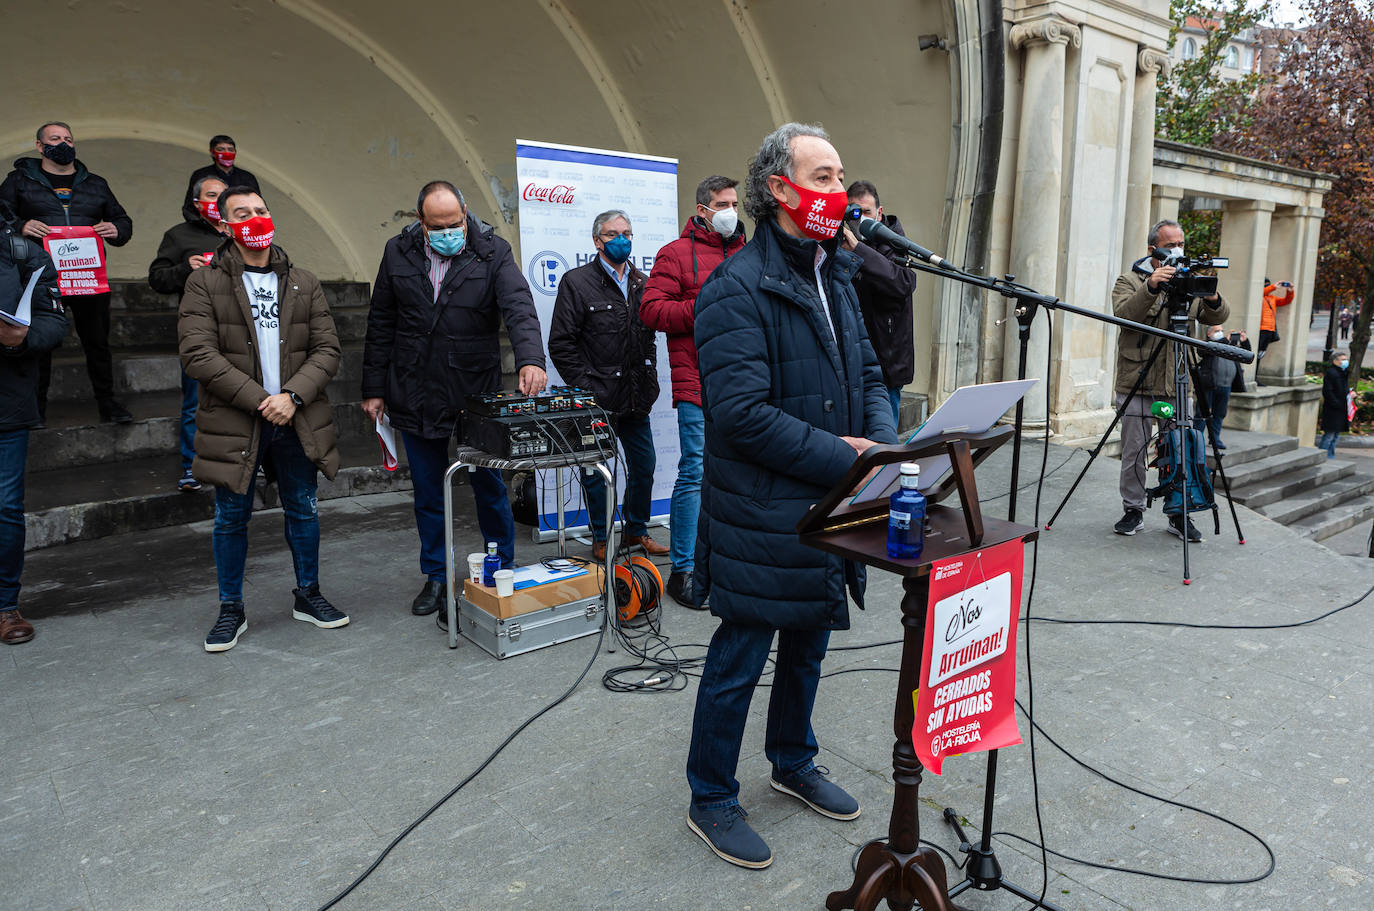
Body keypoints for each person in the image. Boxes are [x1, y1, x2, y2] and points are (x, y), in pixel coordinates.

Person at [684, 123, 897, 869]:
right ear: (780, 188)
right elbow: (739, 415)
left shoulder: (836, 272)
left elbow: (870, 373)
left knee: (810, 638)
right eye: (825, 175)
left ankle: (792, 758)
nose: (839, 191)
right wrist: (846, 457)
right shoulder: (733, 286)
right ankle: (711, 796)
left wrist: (878, 441)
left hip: (829, 495)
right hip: (761, 507)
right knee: (740, 656)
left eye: (842, 177)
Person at [361, 181, 547, 618]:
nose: (449, 232)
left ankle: (503, 570)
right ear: (421, 223)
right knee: (428, 492)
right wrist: (373, 388)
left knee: (489, 485)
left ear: (466, 213)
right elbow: (381, 319)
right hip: (413, 387)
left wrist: (531, 359)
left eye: (456, 223)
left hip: (473, 391)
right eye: (438, 226)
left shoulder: (492, 250)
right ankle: (437, 577)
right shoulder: (397, 252)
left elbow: (518, 305)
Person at [179, 187, 346, 652]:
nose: (255, 218)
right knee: (230, 517)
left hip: (297, 418)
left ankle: (308, 594)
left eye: (261, 210)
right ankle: (230, 607)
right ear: (224, 225)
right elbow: (197, 353)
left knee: (304, 509)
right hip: (237, 421)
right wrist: (261, 400)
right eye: (242, 213)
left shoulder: (303, 282)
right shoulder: (204, 283)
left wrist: (291, 396)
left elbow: (327, 349)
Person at [640, 176, 746, 607]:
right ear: (702, 209)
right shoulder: (674, 254)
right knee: (695, 474)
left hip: (745, 387)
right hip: (697, 384)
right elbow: (651, 310)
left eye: (735, 203)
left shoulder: (748, 252)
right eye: (723, 203)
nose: (731, 211)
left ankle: (727, 562)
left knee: (738, 478)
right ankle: (683, 570)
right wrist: (702, 305)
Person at [548, 210, 666, 564]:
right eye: (614, 233)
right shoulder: (576, 282)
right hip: (596, 399)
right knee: (596, 472)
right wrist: (587, 387)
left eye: (628, 232)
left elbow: (649, 341)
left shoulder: (643, 283)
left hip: (635, 397)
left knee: (644, 465)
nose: (623, 239)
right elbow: (561, 344)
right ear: (597, 241)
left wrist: (649, 382)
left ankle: (636, 530)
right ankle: (601, 537)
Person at [0, 121, 133, 425]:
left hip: (88, 276)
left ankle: (108, 404)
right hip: (38, 276)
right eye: (55, 138)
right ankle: (37, 409)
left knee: (97, 342)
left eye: (68, 139)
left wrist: (116, 229)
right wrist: (20, 226)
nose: (63, 143)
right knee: (40, 342)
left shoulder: (96, 183)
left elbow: (122, 221)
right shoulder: (19, 180)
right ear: (40, 146)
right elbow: (1, 216)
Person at [1111, 219, 1228, 543]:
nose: (1178, 249)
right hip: (1138, 380)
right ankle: (1133, 509)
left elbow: (1217, 316)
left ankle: (1179, 512)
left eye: (1181, 243)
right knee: (1134, 451)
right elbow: (1123, 315)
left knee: (1179, 449)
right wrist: (1150, 286)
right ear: (1153, 249)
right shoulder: (1130, 279)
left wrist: (1211, 294)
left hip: (1176, 384)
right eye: (1171, 244)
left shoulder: (1188, 278)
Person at [0, 202, 65, 645]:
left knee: (4, 508)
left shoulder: (23, 251)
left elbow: (54, 321)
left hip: (7, 404)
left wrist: (21, 339)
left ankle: (6, 607)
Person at [148, 176, 229, 492]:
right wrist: (186, 268)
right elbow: (157, 279)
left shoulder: (244, 231)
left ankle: (251, 460)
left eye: (224, 195)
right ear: (197, 203)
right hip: (200, 332)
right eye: (211, 195)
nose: (218, 201)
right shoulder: (179, 236)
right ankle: (191, 467)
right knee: (197, 402)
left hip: (244, 331)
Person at [841, 179, 919, 425]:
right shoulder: (841, 240)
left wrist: (859, 250)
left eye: (867, 212)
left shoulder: (894, 241)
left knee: (883, 434)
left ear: (879, 213)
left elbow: (902, 283)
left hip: (887, 363)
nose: (861, 218)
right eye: (855, 212)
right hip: (852, 359)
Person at [183, 135, 260, 212]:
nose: (227, 153)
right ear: (212, 152)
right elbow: (190, 207)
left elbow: (259, 204)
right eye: (221, 149)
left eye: (230, 150)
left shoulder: (247, 177)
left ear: (235, 152)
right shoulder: (201, 175)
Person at [1192, 324, 1237, 450]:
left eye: (1222, 331)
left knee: (1219, 413)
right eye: (1217, 331)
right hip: (1209, 385)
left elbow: (1246, 352)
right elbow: (1206, 351)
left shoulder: (1227, 345)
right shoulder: (1206, 345)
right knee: (1202, 413)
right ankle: (1197, 439)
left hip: (1226, 385)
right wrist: (1225, 340)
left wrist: (1243, 341)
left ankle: (1215, 438)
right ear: (1209, 333)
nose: (1221, 333)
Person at [1255, 277, 1293, 384]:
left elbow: (1286, 301)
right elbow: (1259, 293)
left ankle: (1256, 377)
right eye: (1266, 286)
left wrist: (1290, 291)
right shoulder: (1260, 297)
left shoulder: (1272, 298)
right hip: (1261, 329)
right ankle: (1254, 377)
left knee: (1260, 354)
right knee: (1257, 354)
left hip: (1269, 330)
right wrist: (1273, 287)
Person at [1319, 352, 1351, 459]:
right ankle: (1322, 456)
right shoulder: (1332, 373)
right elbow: (1328, 391)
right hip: (1333, 409)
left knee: (1336, 435)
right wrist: (1336, 403)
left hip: (1341, 408)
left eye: (1345, 359)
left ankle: (1330, 456)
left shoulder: (1343, 372)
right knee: (1329, 435)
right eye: (1342, 359)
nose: (1345, 361)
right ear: (1335, 361)